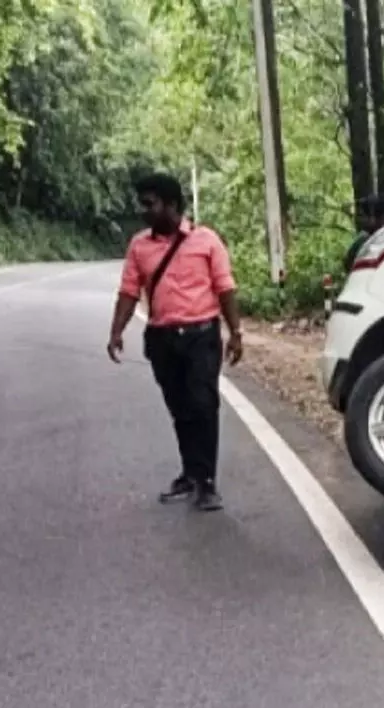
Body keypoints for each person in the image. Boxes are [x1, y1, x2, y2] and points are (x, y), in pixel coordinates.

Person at [107, 172, 243, 512]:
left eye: (150, 204)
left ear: (171, 205)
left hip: (201, 337)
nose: (144, 211)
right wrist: (116, 332)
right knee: (180, 409)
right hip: (162, 339)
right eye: (143, 204)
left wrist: (236, 333)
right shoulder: (139, 246)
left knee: (203, 405)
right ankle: (190, 473)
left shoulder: (207, 241)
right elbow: (128, 292)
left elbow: (225, 288)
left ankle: (207, 481)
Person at [341, 193, 384, 272]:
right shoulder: (362, 241)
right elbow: (349, 265)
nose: (358, 219)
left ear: (381, 218)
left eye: (361, 215)